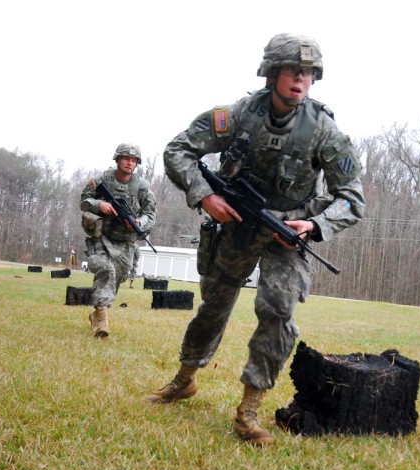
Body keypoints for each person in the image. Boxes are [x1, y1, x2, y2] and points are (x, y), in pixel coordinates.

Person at [146, 33, 365, 447]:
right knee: (214, 305)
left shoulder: (324, 131)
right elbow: (178, 151)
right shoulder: (239, 115)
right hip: (236, 224)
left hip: (287, 233)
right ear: (272, 73)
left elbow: (352, 198)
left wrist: (315, 225)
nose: (301, 80)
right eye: (292, 71)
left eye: (308, 74)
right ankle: (185, 379)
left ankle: (249, 410)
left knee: (278, 311)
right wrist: (205, 195)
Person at [80, 143, 157, 338]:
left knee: (119, 276)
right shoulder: (102, 179)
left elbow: (150, 213)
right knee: (106, 269)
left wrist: (140, 222)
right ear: (117, 159)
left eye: (133, 160)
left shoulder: (142, 187)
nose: (130, 163)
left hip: (126, 241)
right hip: (102, 236)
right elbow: (84, 200)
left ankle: (97, 310)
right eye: (126, 159)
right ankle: (101, 319)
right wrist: (100, 204)